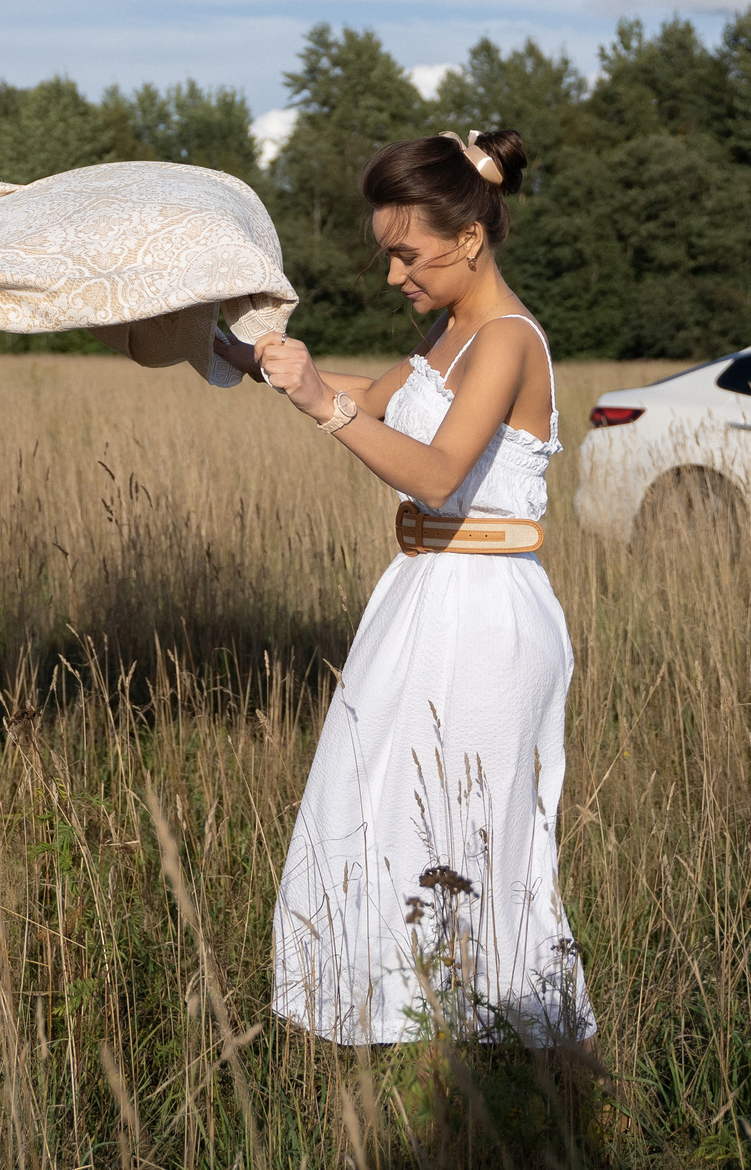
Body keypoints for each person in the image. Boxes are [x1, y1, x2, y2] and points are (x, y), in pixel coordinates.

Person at [217, 127, 596, 1066]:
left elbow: (433, 474)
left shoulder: (508, 341)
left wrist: (321, 405)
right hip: (422, 595)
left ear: (469, 237)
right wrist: (245, 353)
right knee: (377, 807)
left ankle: (503, 1053)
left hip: (485, 609)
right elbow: (365, 400)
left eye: (407, 252)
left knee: (464, 828)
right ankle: (412, 1032)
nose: (394, 275)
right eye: (388, 251)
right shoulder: (449, 333)